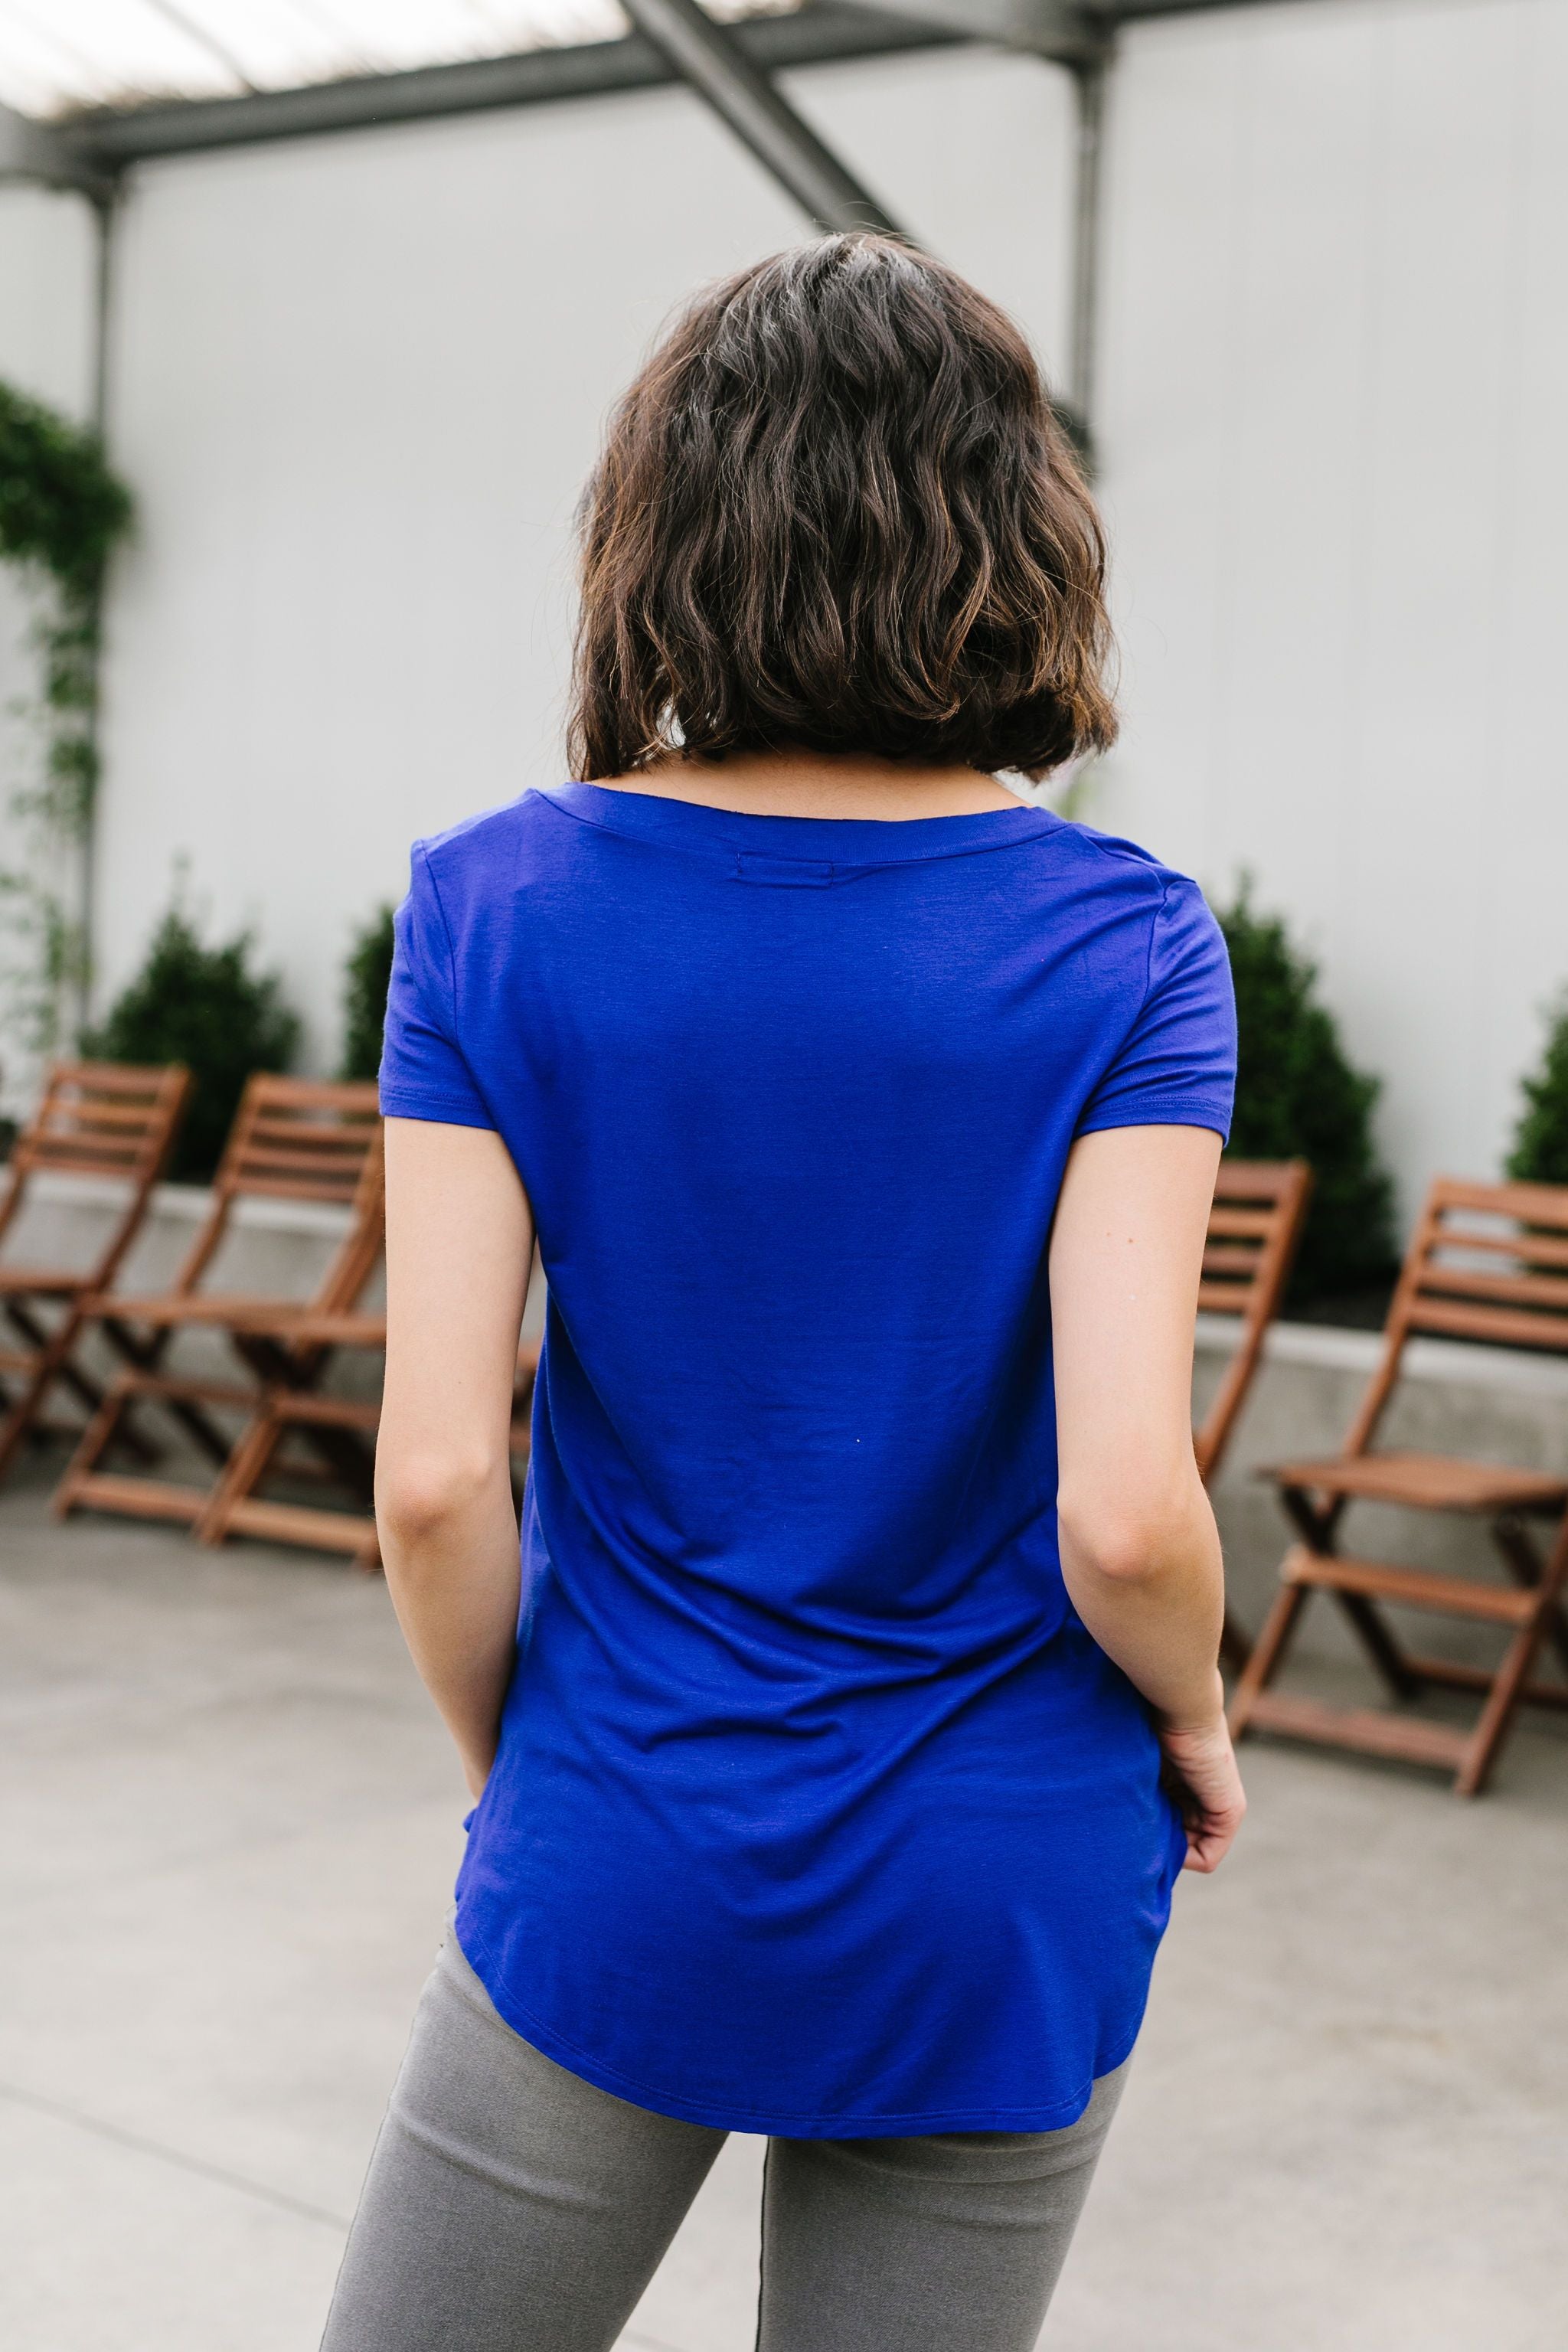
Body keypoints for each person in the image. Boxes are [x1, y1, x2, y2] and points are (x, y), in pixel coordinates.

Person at [320, 233, 1244, 2352]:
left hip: (622, 1834)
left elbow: (445, 1476)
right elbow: (1129, 1509)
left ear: (665, 535)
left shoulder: (491, 907)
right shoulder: (1127, 946)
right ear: (1012, 533)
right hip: (1002, 1869)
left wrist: (526, 1772)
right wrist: (1192, 1714)